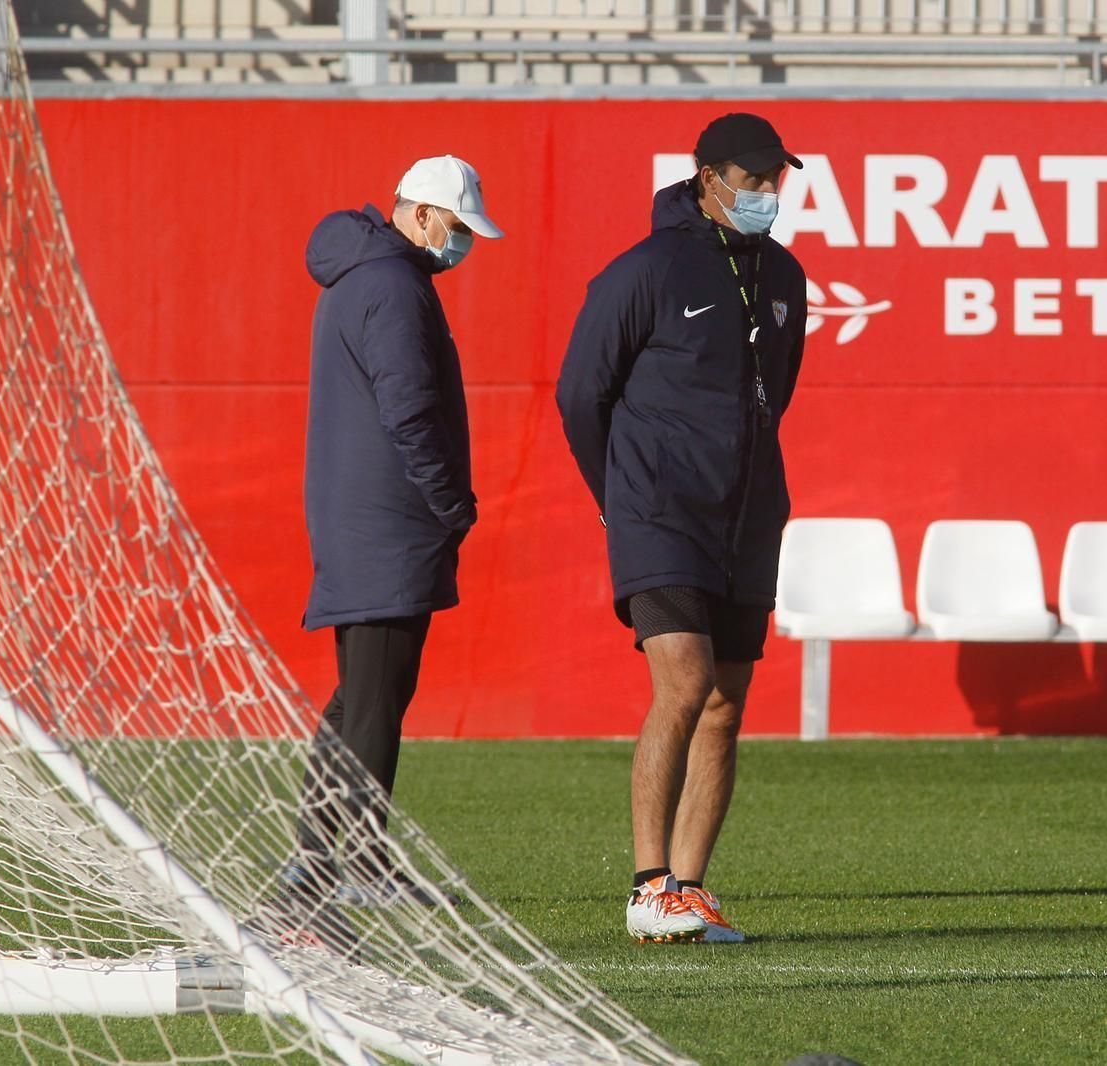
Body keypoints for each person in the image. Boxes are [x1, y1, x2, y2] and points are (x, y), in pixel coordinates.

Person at [557, 114, 808, 944]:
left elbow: (777, 392)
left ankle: (690, 892)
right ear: (707, 177)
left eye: (777, 178)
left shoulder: (786, 277)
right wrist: (618, 493)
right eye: (753, 178)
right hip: (658, 510)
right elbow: (580, 392)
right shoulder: (647, 268)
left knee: (727, 706)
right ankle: (647, 882)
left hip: (746, 514)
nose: (767, 192)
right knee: (685, 681)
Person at [286, 154, 502, 907]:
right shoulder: (394, 285)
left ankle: (317, 858)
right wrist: (451, 504)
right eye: (455, 225)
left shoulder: (368, 278)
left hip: (366, 518)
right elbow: (409, 410)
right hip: (388, 520)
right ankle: (358, 864)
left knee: (360, 697)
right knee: (375, 699)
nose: (461, 244)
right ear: (418, 214)